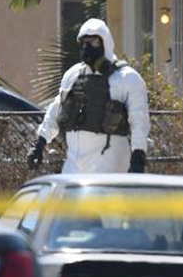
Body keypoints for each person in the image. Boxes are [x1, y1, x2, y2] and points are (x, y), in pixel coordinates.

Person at [28, 18, 150, 174]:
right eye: (84, 43)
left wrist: (138, 155)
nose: (88, 47)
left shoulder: (126, 78)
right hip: (74, 163)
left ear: (105, 43)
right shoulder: (72, 75)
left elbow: (139, 120)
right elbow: (56, 109)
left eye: (93, 42)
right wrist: (39, 143)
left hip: (110, 162)